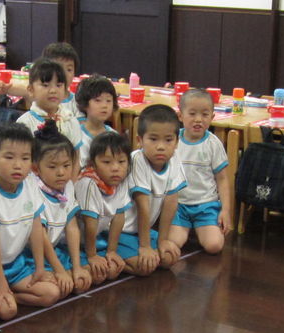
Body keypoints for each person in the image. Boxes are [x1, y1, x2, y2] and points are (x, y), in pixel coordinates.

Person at [0, 124, 62, 318]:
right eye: (9, 157)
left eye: (25, 158)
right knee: (7, 312)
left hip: (15, 265)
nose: (18, 165)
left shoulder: (30, 183)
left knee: (51, 293)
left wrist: (40, 268)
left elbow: (36, 228)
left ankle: (12, 296)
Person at [119, 105, 186, 276]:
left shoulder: (174, 159)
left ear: (177, 142)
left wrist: (162, 240)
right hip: (121, 231)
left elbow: (171, 202)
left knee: (169, 258)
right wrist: (145, 246)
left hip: (142, 231)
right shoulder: (137, 160)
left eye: (168, 140)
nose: (161, 147)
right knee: (144, 267)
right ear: (140, 140)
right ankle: (107, 256)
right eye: (153, 139)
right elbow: (143, 206)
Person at [168, 88, 231, 255]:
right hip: (178, 205)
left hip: (206, 205)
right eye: (192, 114)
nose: (198, 119)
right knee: (173, 243)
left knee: (214, 246)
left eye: (204, 114)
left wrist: (225, 210)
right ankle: (187, 227)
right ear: (180, 116)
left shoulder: (213, 143)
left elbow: (222, 179)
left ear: (212, 117)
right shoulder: (172, 140)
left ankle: (201, 226)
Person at [32, 121, 89, 296]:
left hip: (55, 250)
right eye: (52, 167)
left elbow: (72, 227)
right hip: (34, 256)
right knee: (55, 292)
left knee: (85, 279)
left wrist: (77, 267)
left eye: (66, 165)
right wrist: (60, 271)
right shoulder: (32, 189)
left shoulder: (67, 186)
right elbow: (41, 237)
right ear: (36, 168)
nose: (61, 172)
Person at [75, 130, 133, 285]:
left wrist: (111, 251)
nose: (115, 168)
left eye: (121, 161)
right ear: (93, 163)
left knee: (112, 270)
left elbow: (119, 216)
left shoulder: (120, 180)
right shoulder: (88, 183)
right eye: (107, 162)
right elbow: (89, 223)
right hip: (76, 244)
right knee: (97, 276)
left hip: (96, 238)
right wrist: (92, 255)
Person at [16, 58, 83, 160]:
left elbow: (75, 159)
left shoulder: (70, 121)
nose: (53, 91)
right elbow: (21, 160)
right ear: (31, 90)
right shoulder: (24, 123)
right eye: (45, 85)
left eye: (58, 85)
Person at [74, 75, 119, 168]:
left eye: (108, 100)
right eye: (98, 100)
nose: (104, 105)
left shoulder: (114, 135)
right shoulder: (76, 135)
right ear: (84, 103)